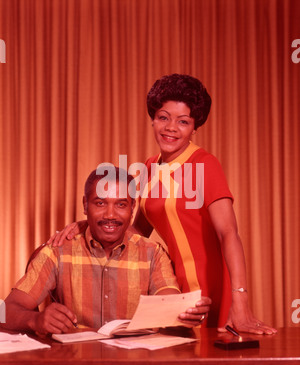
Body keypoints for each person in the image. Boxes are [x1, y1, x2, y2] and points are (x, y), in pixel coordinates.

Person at [48, 74, 276, 335]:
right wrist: (85, 225)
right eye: (164, 117)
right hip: (173, 286)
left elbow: (229, 234)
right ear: (153, 118)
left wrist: (240, 301)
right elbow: (135, 233)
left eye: (183, 121)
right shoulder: (148, 167)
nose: (171, 128)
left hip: (212, 286)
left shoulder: (205, 164)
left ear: (194, 127)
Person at [0, 166, 210, 335]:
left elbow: (169, 300)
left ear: (132, 208)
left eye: (120, 205)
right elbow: (5, 312)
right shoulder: (58, 251)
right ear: (85, 205)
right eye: (100, 203)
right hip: (75, 364)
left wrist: (185, 312)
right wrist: (35, 320)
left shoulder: (152, 253)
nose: (110, 215)